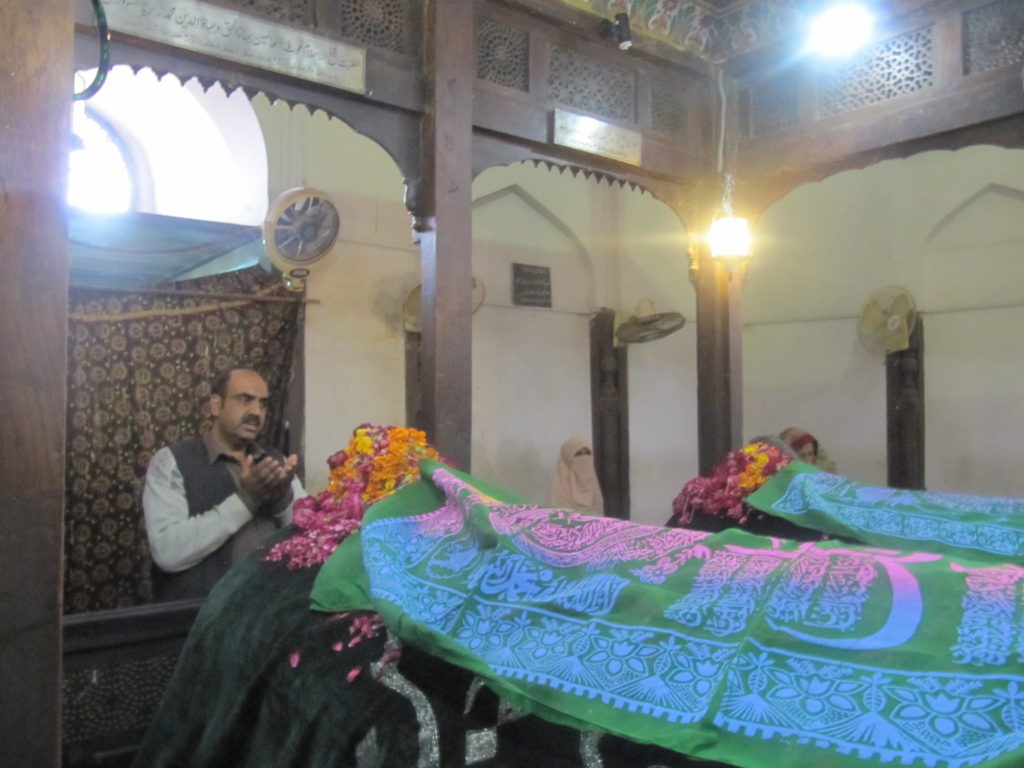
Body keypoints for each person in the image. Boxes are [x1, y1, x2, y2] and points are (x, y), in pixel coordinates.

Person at [143, 366, 304, 601]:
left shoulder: (276, 462)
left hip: (268, 615)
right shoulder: (171, 462)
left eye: (263, 404)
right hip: (200, 622)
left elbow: (311, 538)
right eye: (244, 400)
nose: (256, 412)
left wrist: (282, 501)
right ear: (216, 405)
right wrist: (248, 500)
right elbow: (167, 552)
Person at [547, 437, 604, 515]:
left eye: (587, 453)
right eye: (578, 454)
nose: (583, 458)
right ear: (567, 458)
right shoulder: (557, 492)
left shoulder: (594, 491)